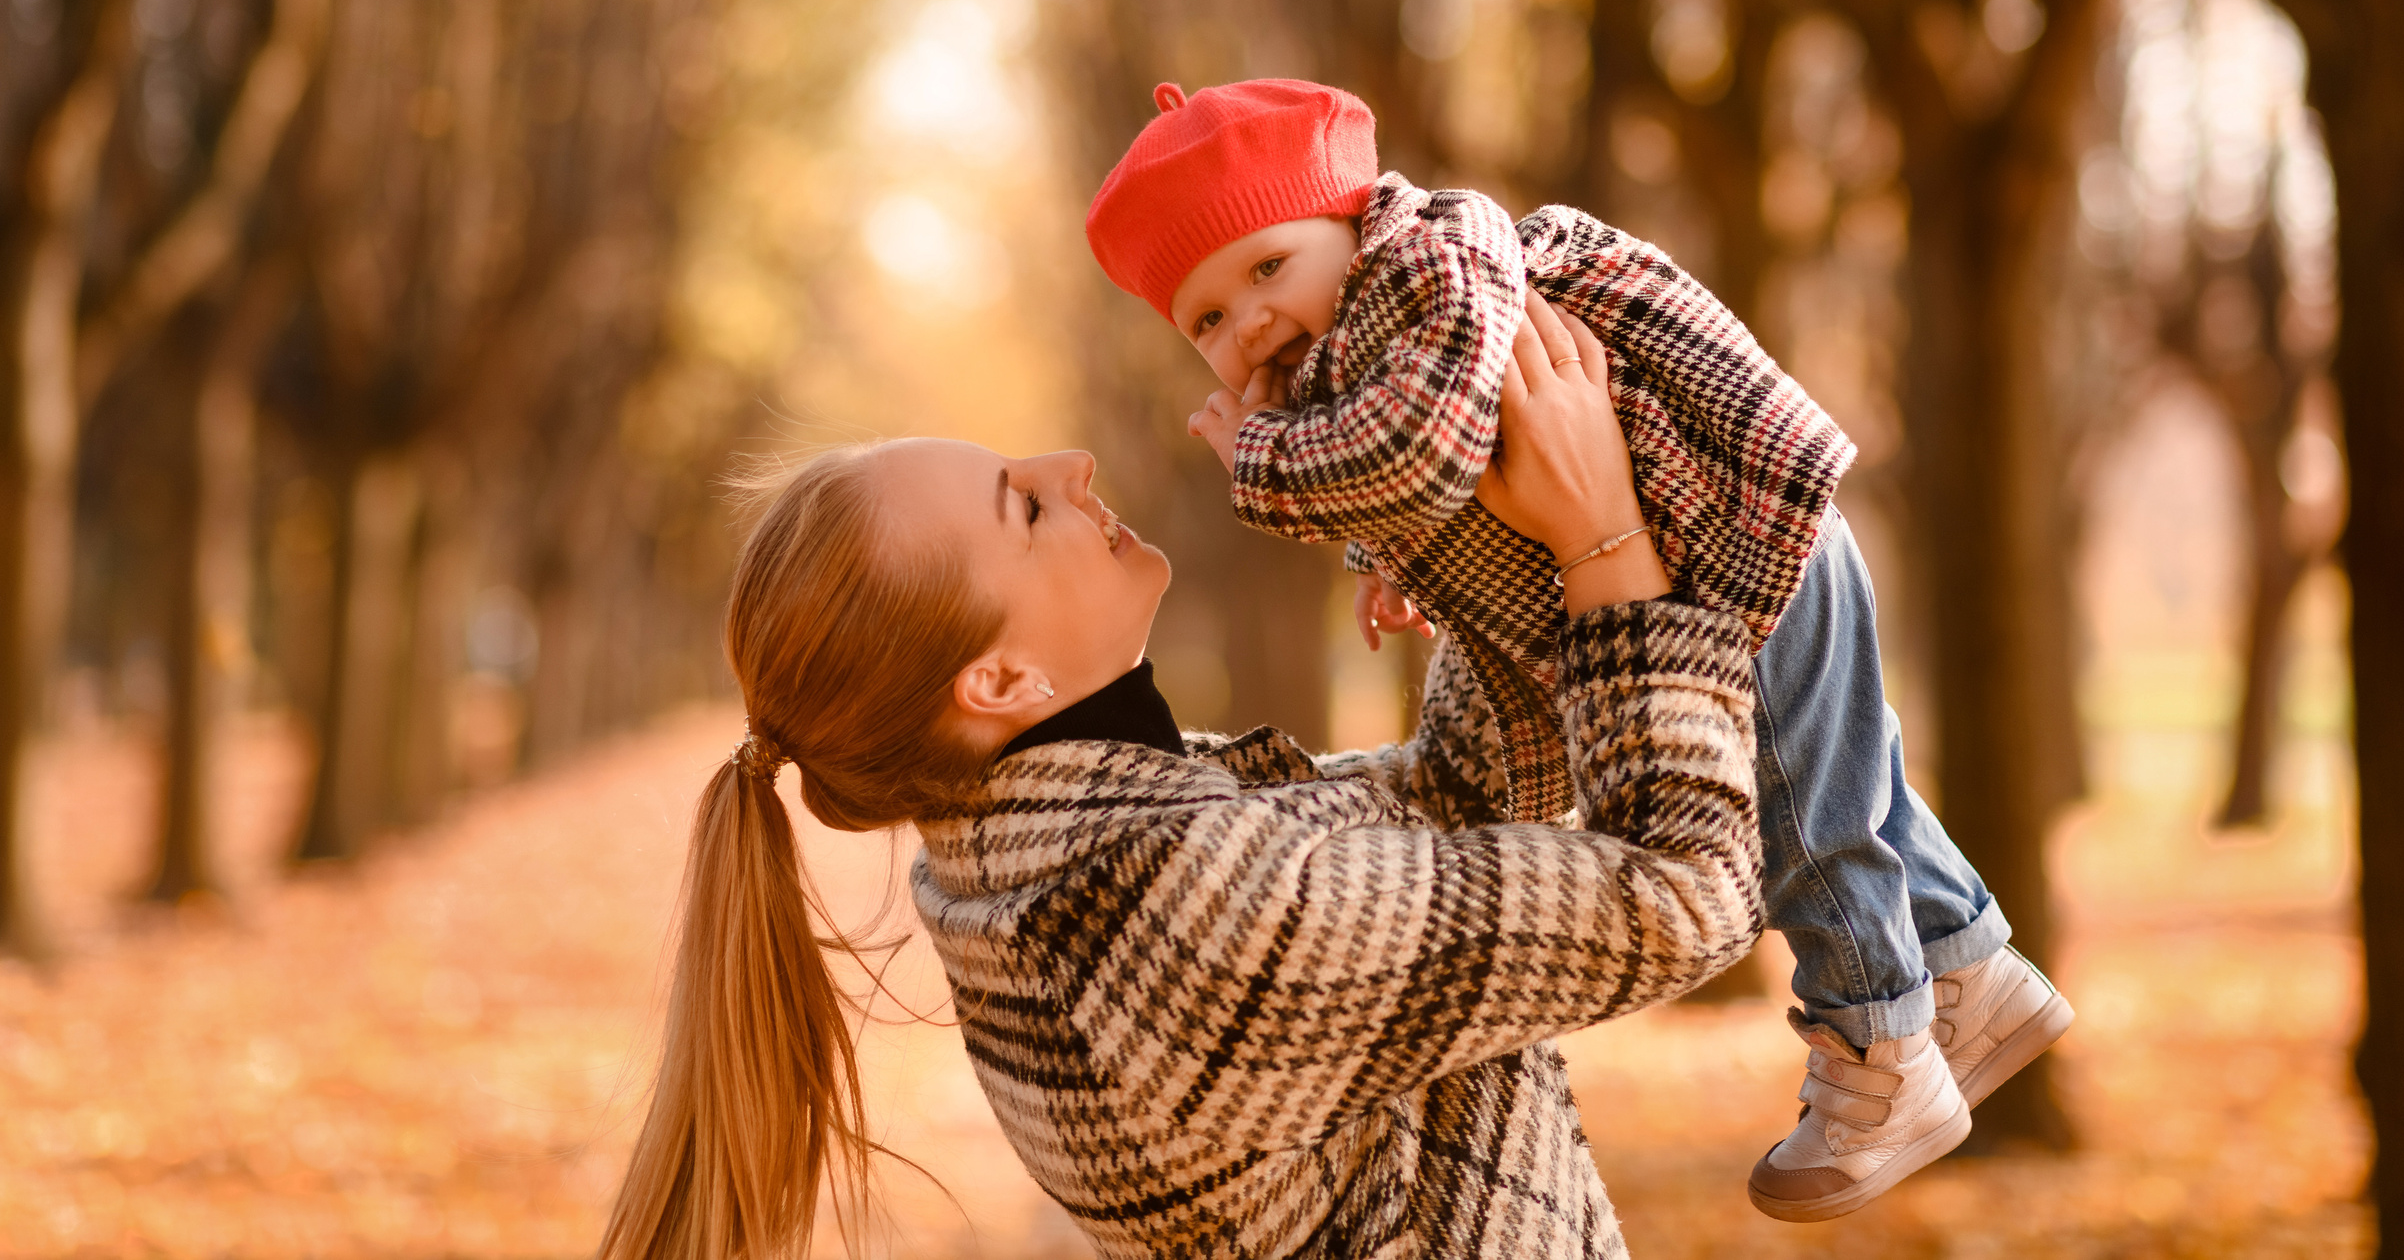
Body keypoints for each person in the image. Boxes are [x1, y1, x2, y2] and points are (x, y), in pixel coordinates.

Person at [1083, 77, 2072, 1220]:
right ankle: (1971, 970)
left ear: (1350, 217)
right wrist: (1397, 566)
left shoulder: (1425, 262)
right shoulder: (1368, 340)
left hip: (1734, 534)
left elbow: (1423, 442)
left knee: (1794, 815)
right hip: (1733, 544)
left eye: (1265, 269)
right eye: (1204, 318)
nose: (1245, 322)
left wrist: (1262, 458)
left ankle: (1878, 1048)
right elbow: (1442, 469)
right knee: (1845, 781)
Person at [600, 297, 1769, 1259]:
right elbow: (1680, 892)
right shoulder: (1159, 906)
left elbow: (1465, 802)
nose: (1073, 464)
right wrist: (1604, 534)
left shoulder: (1080, 845)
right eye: (1023, 503)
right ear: (999, 681)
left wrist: (1440, 534)